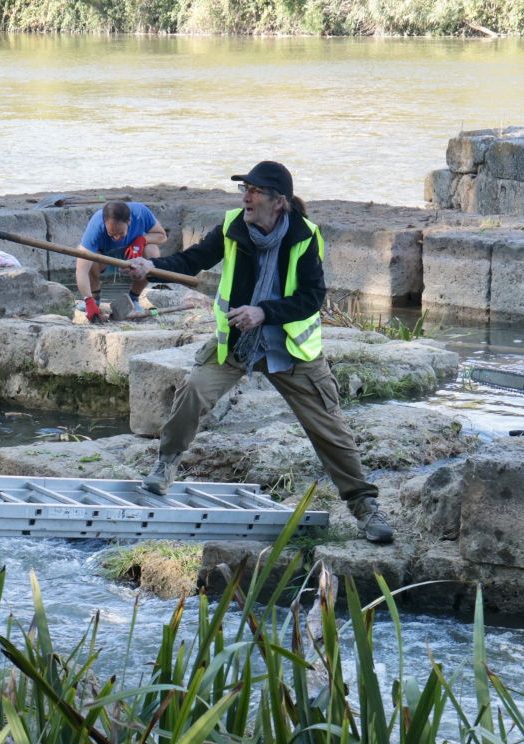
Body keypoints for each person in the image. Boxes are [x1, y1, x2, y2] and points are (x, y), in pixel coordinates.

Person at [130, 161, 394, 545]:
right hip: (238, 342)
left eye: (254, 191)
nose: (246, 197)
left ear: (279, 202)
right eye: (244, 190)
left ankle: (365, 508)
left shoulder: (304, 237)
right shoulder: (233, 226)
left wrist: (264, 312)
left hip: (290, 348)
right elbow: (194, 259)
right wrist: (151, 265)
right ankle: (165, 465)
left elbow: (311, 298)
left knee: (331, 430)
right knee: (194, 391)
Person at [75, 199, 167, 321]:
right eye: (111, 234)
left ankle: (134, 298)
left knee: (152, 252)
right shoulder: (96, 226)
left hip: (133, 253)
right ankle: (95, 300)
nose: (117, 238)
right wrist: (88, 300)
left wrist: (142, 240)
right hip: (104, 256)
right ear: (105, 223)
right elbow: (81, 270)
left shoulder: (141, 213)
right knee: (88, 257)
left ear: (129, 221)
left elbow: (162, 236)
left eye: (120, 233)